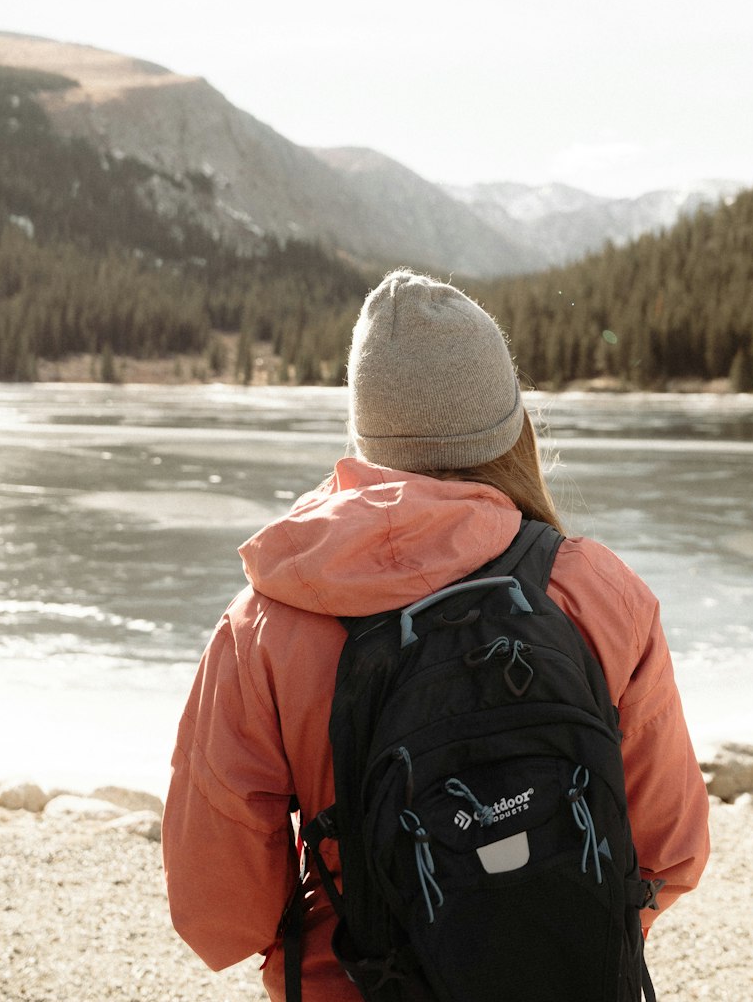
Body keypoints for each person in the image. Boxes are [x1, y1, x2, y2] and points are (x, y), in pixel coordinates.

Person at [162, 269, 710, 1000]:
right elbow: (669, 854)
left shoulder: (265, 624)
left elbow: (220, 914)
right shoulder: (598, 591)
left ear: (364, 433)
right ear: (513, 427)